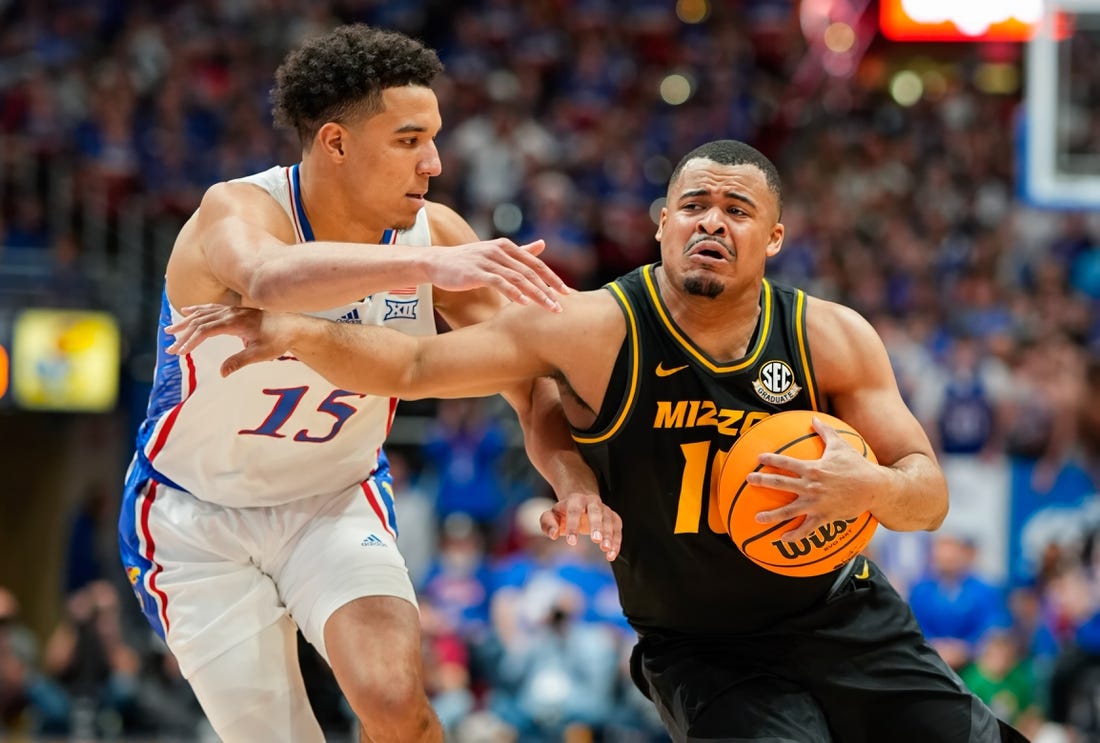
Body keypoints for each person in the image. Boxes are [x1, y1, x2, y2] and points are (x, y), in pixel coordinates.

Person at [168, 138, 1027, 741]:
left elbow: (929, 492)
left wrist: (867, 488)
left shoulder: (830, 337)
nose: (712, 222)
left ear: (774, 236)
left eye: (737, 208)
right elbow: (420, 362)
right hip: (702, 647)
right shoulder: (596, 330)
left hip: (842, 613)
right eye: (693, 205)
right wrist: (294, 332)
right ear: (660, 224)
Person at [119, 24, 619, 743]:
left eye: (436, 138)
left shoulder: (435, 235)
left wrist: (570, 477)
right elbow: (265, 278)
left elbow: (530, 376)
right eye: (410, 140)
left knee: (396, 705)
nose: (436, 162)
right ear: (336, 144)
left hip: (334, 497)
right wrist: (422, 271)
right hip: (196, 520)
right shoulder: (237, 210)